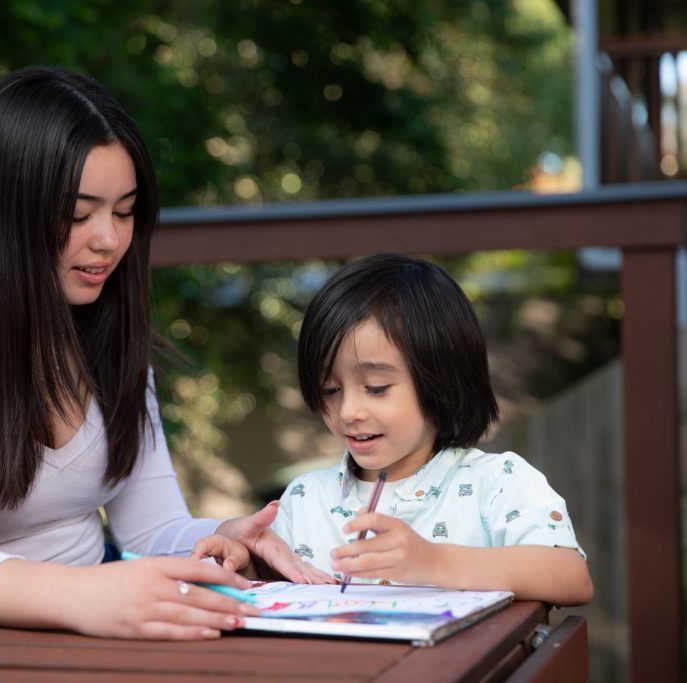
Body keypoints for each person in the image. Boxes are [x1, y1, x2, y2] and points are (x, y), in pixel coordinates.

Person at [0, 65, 326, 642]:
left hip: (101, 635)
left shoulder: (109, 331)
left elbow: (152, 528)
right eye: (78, 215)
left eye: (125, 212)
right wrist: (84, 594)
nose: (110, 240)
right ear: (6, 213)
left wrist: (227, 534)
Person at [193, 253, 594, 606]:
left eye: (377, 388)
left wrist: (432, 561)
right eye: (330, 389)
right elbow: (276, 588)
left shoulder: (498, 483)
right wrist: (240, 559)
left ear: (441, 378)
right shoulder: (305, 497)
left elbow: (570, 576)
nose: (348, 410)